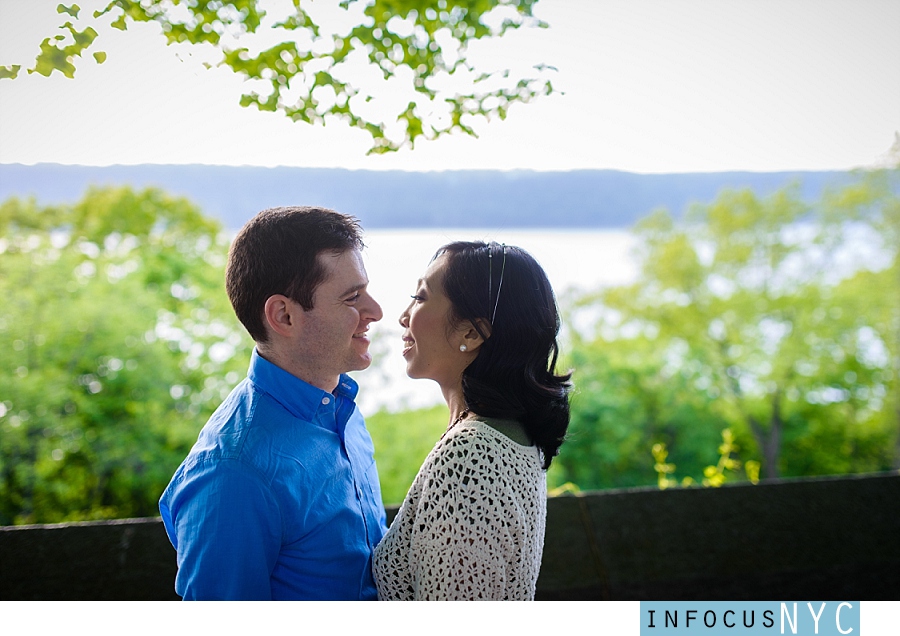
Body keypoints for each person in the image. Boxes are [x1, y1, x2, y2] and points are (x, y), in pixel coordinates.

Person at [159, 206, 387, 600]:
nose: (376, 312)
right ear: (283, 315)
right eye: (352, 298)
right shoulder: (234, 473)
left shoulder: (340, 406)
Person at [373, 241, 571, 600]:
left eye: (419, 298)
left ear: (470, 333)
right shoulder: (513, 436)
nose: (403, 316)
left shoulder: (469, 457)